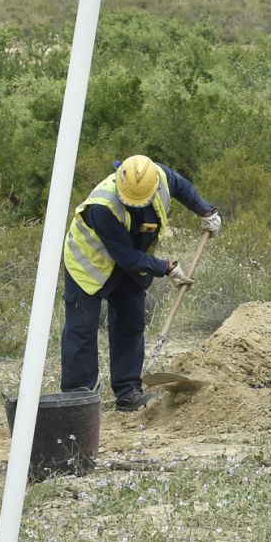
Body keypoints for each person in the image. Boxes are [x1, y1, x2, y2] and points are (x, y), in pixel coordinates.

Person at [61, 154, 220, 411]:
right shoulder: (101, 206)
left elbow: (182, 188)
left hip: (133, 263)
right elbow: (124, 255)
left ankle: (128, 393)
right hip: (88, 265)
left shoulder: (161, 177)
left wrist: (206, 210)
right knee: (82, 329)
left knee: (130, 324)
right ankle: (77, 399)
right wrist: (166, 267)